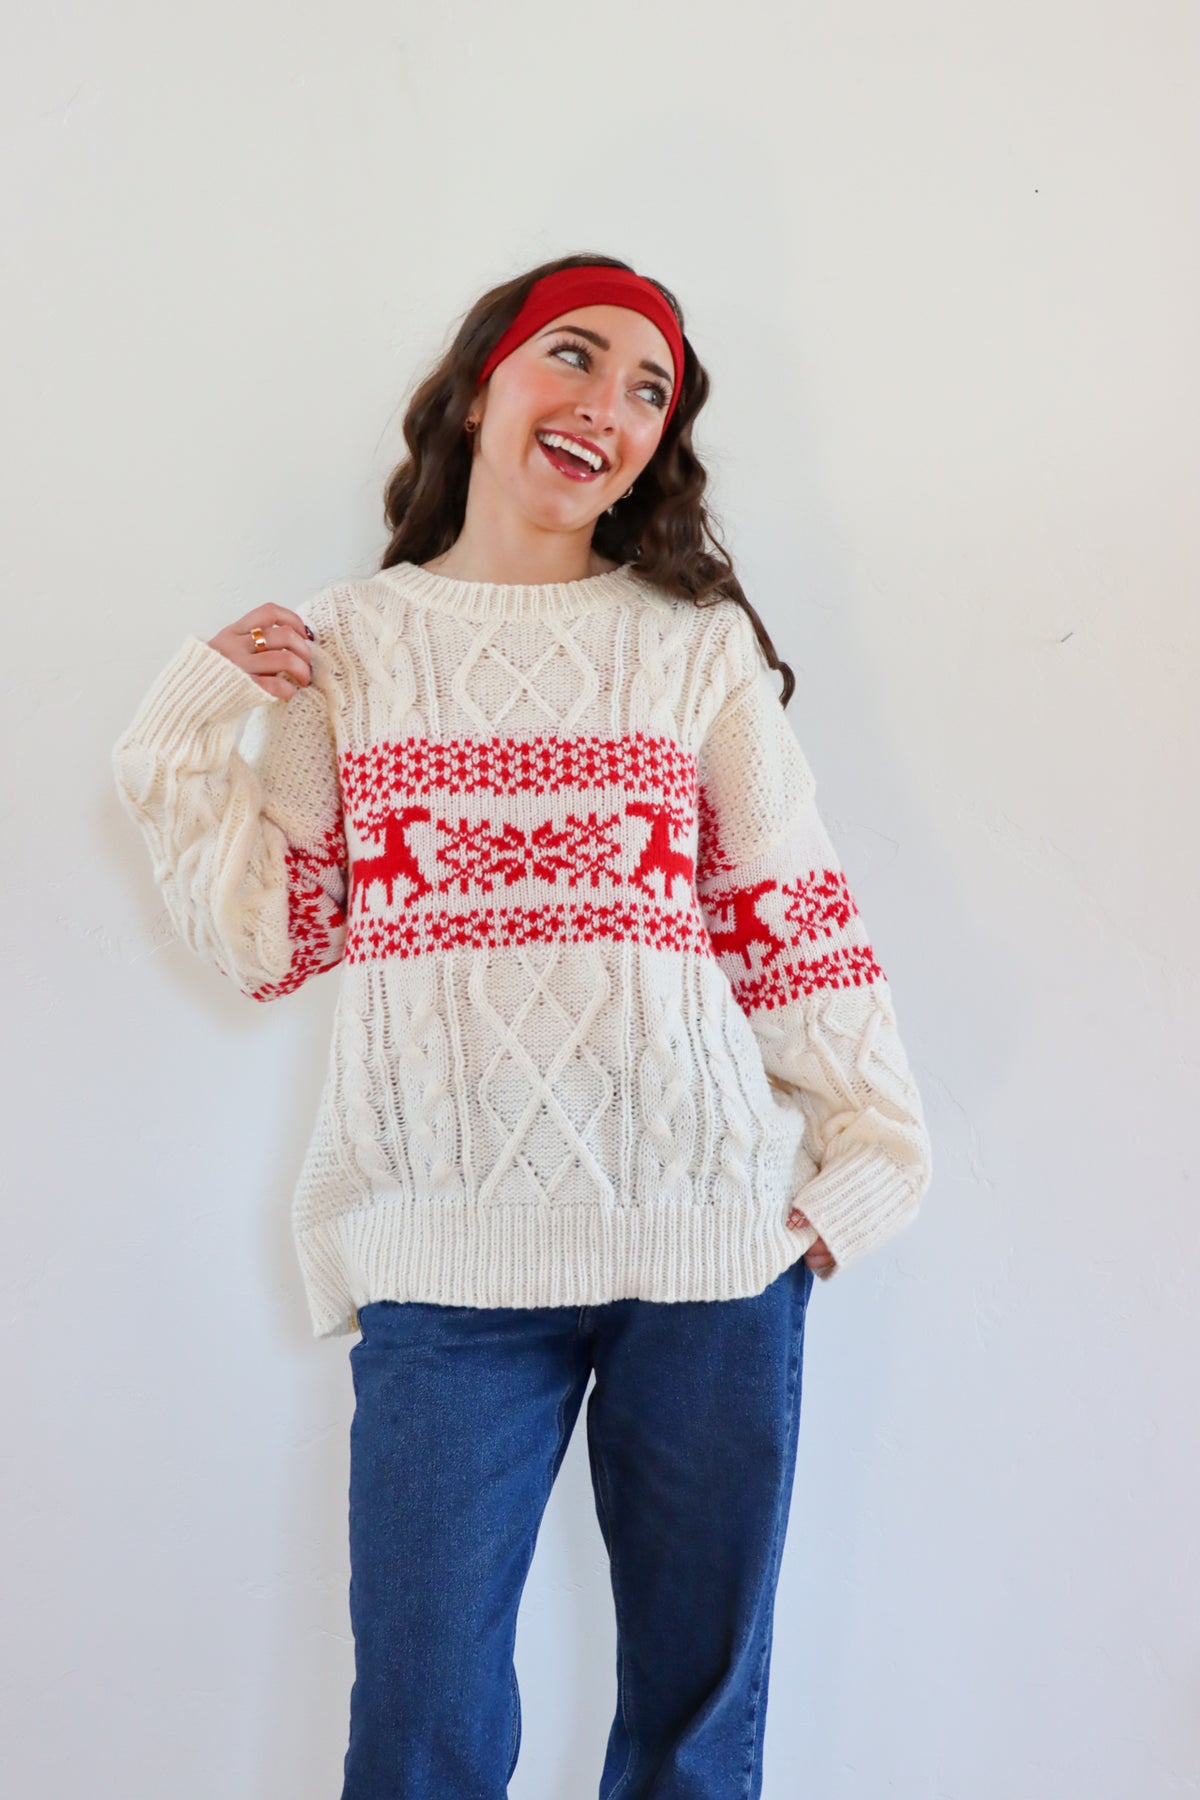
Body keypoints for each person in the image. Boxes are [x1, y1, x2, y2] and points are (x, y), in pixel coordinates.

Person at [111, 252, 933, 1799]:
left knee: (694, 1745)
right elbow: (275, 949)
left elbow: (792, 919)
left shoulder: (692, 650)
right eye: (578, 355)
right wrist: (179, 732)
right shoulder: (347, 650)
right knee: (422, 1741)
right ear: (488, 377)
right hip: (444, 1264)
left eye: (649, 392)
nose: (608, 407)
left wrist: (865, 1163)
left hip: (711, 1255)